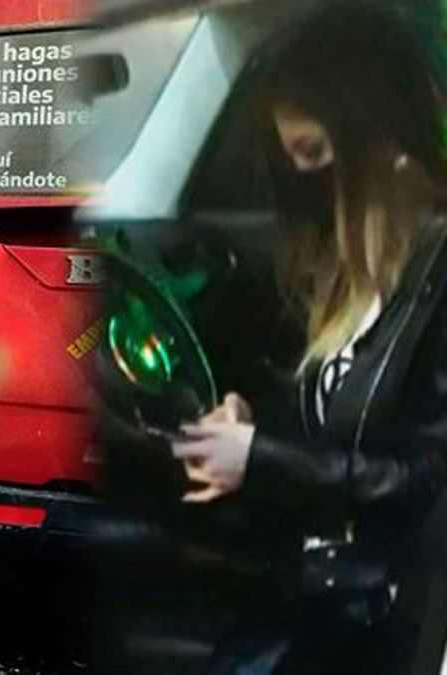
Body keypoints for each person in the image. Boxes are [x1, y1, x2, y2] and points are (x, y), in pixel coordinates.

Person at [168, 8, 447, 673]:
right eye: (290, 160)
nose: (303, 185)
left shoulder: (436, 282)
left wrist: (258, 458)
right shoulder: (351, 283)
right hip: (320, 591)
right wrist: (250, 422)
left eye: (315, 155)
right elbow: (337, 423)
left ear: (379, 136)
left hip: (384, 612)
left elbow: (425, 480)